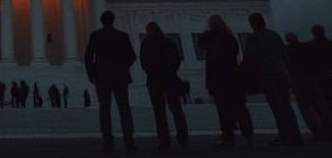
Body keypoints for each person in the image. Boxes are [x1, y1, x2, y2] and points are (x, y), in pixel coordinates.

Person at [243, 13, 302, 145]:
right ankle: (295, 134)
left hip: (267, 74)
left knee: (277, 105)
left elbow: (251, 57)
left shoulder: (254, 37)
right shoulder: (275, 35)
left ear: (252, 24)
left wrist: (244, 70)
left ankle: (285, 135)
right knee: (287, 105)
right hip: (282, 73)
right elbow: (285, 55)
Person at [84, 10, 137, 152]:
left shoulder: (96, 36)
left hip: (102, 76)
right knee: (124, 108)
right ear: (113, 20)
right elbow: (132, 56)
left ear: (102, 21)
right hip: (120, 76)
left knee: (104, 108)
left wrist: (91, 73)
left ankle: (108, 142)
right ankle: (129, 140)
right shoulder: (122, 36)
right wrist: (123, 67)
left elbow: (88, 56)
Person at [198, 14, 254, 148]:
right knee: (240, 107)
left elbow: (201, 42)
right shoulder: (231, 38)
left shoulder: (211, 37)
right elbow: (235, 53)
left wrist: (207, 31)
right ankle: (248, 135)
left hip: (219, 78)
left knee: (223, 110)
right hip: (233, 76)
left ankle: (228, 138)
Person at [140, 21, 189, 151]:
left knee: (159, 112)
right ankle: (183, 139)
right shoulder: (169, 42)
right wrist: (171, 72)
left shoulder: (146, 43)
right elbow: (176, 60)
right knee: (177, 110)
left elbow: (144, 62)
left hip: (155, 80)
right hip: (170, 79)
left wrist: (151, 72)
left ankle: (164, 141)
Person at [285, 32, 332, 141]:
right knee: (321, 107)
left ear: (287, 40)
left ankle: (317, 132)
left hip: (298, 81)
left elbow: (287, 66)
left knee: (306, 109)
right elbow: (317, 61)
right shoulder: (307, 47)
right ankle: (330, 131)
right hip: (313, 79)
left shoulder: (287, 51)